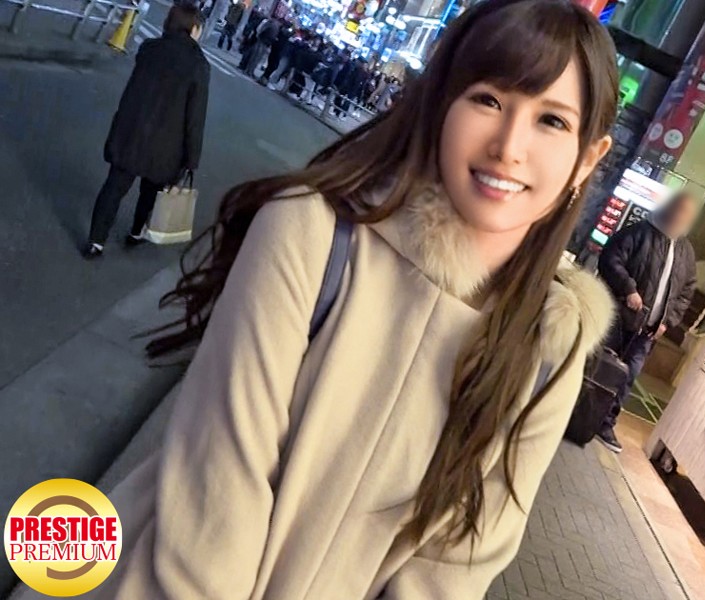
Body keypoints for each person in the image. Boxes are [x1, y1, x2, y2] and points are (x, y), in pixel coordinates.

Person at [64, 1, 619, 596]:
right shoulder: (311, 233)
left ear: (587, 158)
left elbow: (454, 568)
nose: (509, 146)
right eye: (488, 99)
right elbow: (217, 485)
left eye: (552, 121)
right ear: (440, 105)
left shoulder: (551, 349)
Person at [83, 4, 210, 259]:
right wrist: (192, 158)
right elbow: (195, 117)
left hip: (133, 128)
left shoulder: (150, 48)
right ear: (194, 28)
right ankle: (136, 231)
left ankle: (96, 240)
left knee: (114, 186)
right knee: (151, 191)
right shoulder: (198, 65)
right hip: (168, 142)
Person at [596, 191, 699, 453]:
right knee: (600, 366)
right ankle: (580, 411)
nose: (680, 216)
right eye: (679, 209)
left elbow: (686, 292)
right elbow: (610, 258)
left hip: (647, 332)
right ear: (669, 208)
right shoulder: (639, 233)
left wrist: (668, 321)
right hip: (618, 318)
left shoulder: (685, 251)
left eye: (686, 213)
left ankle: (605, 423)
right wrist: (629, 289)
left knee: (627, 377)